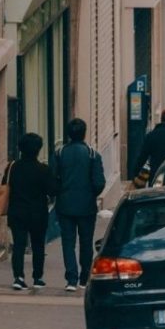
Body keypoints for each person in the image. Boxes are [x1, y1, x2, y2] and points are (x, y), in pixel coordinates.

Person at [54, 118, 106, 292]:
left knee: (68, 242)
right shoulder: (92, 154)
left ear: (68, 134)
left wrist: (59, 193)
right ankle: (84, 278)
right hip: (86, 206)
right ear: (84, 133)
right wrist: (91, 194)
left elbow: (53, 180)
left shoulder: (59, 153)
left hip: (65, 205)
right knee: (86, 242)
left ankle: (71, 279)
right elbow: (99, 182)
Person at [7, 133, 56, 290]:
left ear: (20, 149)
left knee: (19, 245)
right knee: (38, 246)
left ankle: (18, 277)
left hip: (17, 211)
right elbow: (53, 190)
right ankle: (37, 277)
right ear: (38, 150)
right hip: (38, 213)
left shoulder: (12, 167)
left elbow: (5, 186)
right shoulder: (43, 169)